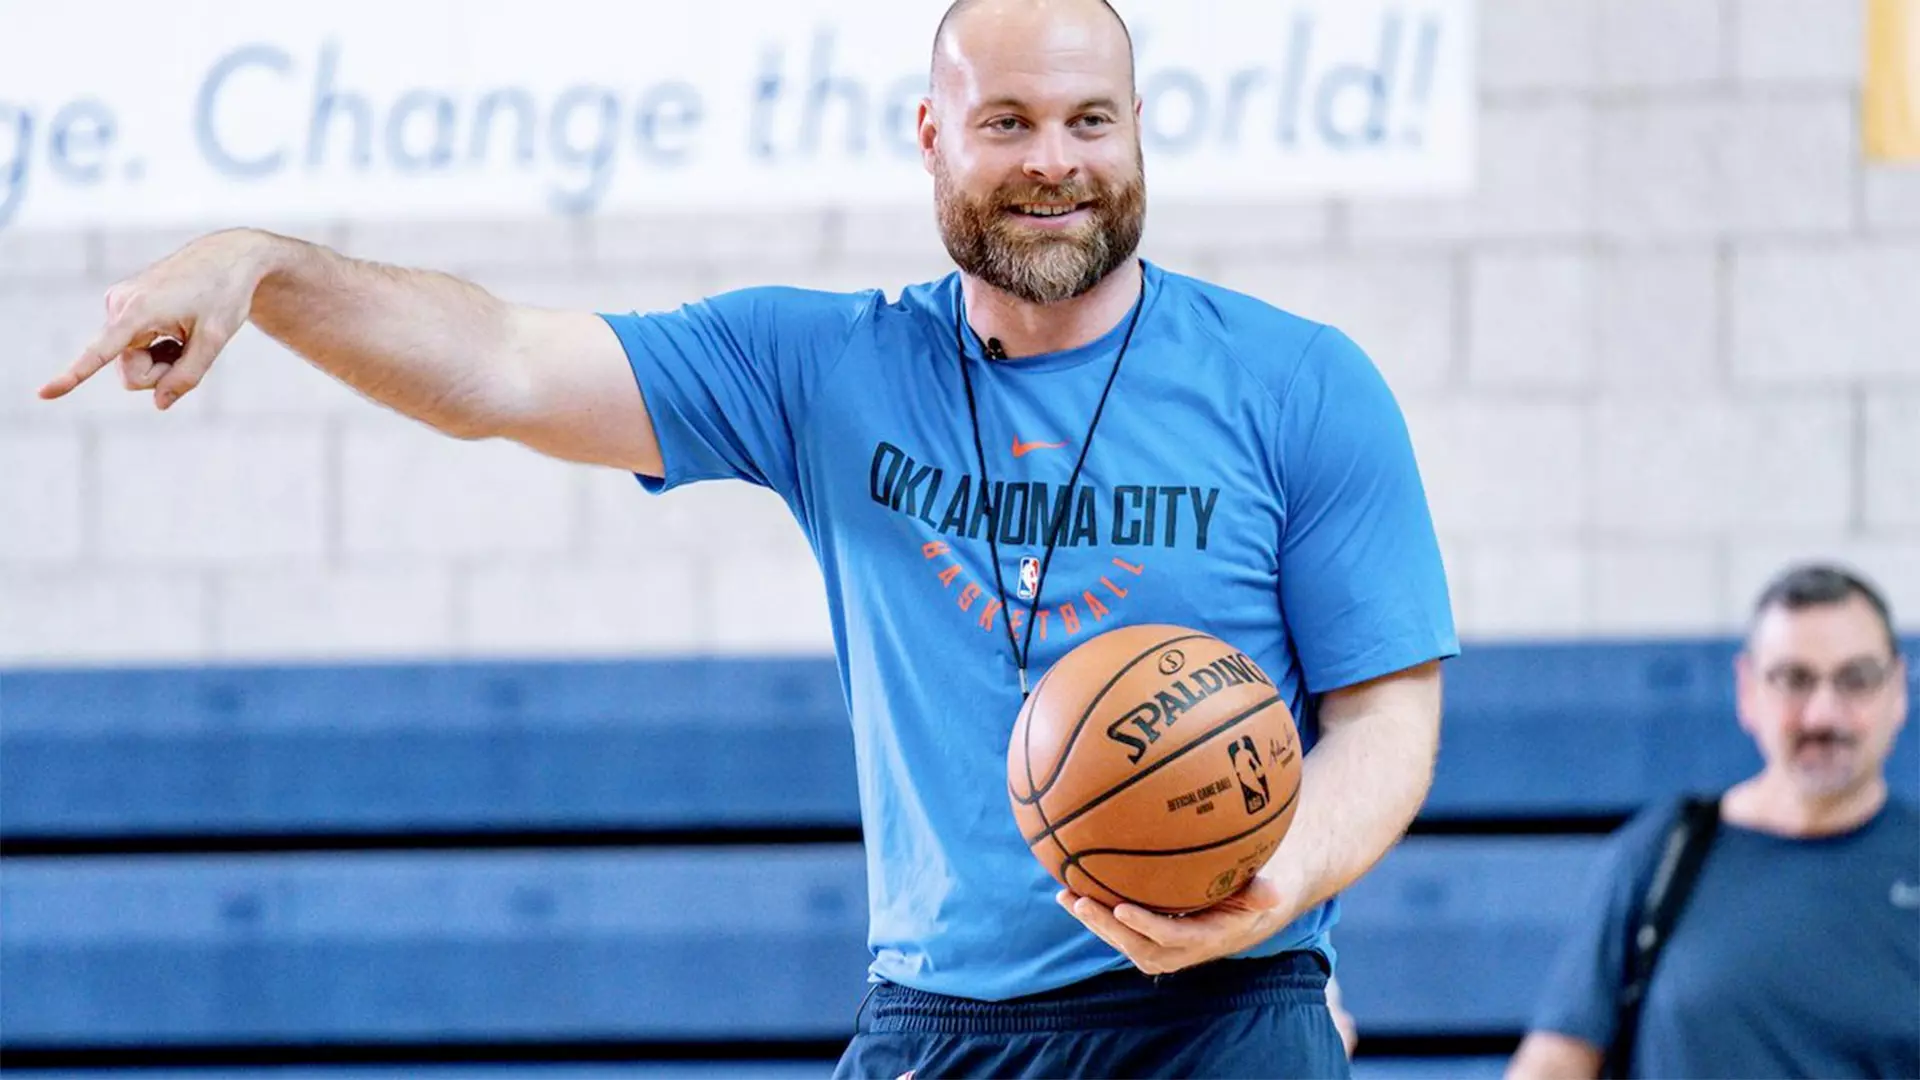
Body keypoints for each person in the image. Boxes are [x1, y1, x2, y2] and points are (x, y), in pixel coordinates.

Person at [38, 0, 1456, 1074]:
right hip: (938, 1019)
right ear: (932, 136)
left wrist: (1278, 877)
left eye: (1092, 120)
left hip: (1221, 1009)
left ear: (1140, 131)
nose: (1054, 161)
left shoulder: (1296, 381)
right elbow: (500, 369)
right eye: (1008, 120)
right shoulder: (821, 365)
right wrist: (267, 267)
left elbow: (1386, 716)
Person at [1508, 563, 1918, 1080]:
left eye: (1856, 679)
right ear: (1748, 690)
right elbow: (1555, 1065)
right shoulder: (1665, 854)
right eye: (1793, 679)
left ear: (1898, 689)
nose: (1822, 715)